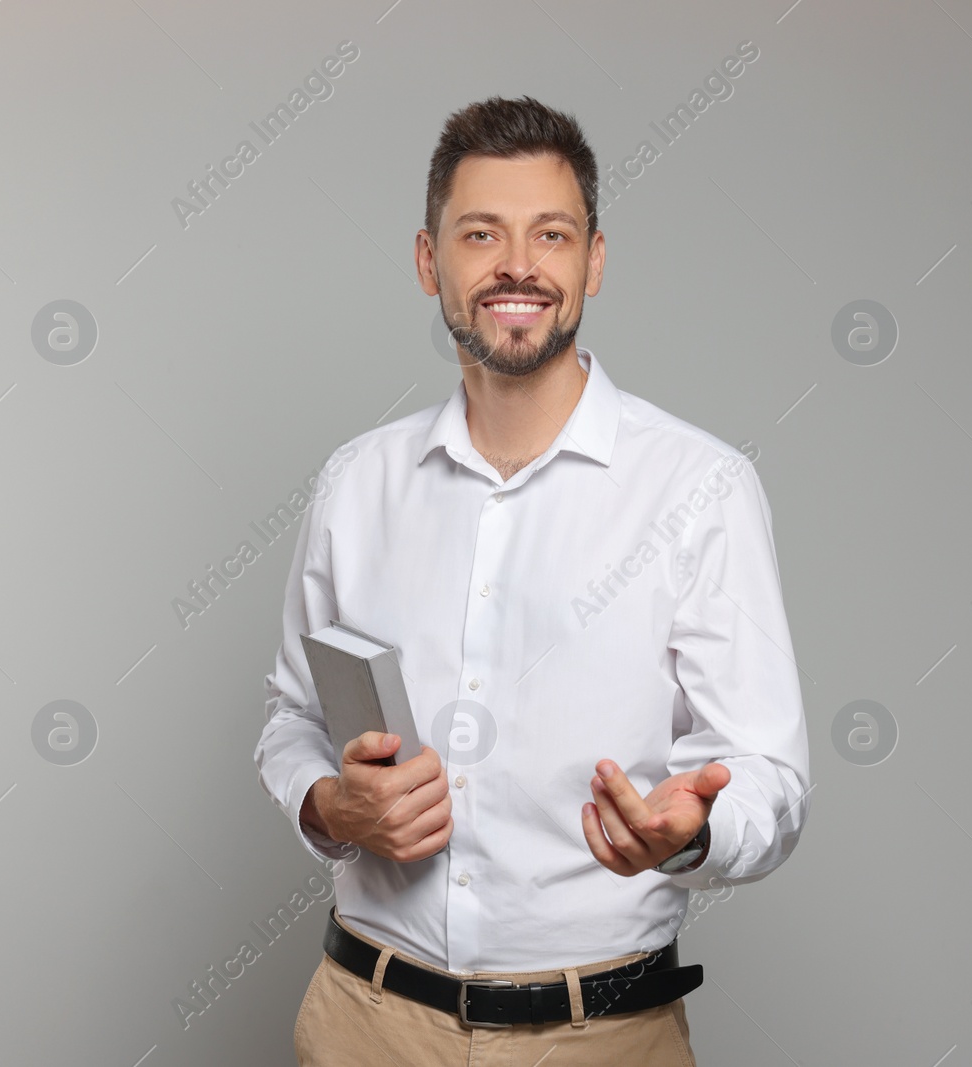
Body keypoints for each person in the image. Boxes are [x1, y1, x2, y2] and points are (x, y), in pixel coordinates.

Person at [254, 95, 810, 1066]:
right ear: (430, 261)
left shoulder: (699, 486)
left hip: (603, 1036)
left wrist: (689, 833)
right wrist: (326, 804)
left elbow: (768, 773)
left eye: (549, 234)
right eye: (481, 233)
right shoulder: (356, 483)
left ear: (592, 259)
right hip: (364, 1025)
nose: (517, 264)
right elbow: (290, 716)